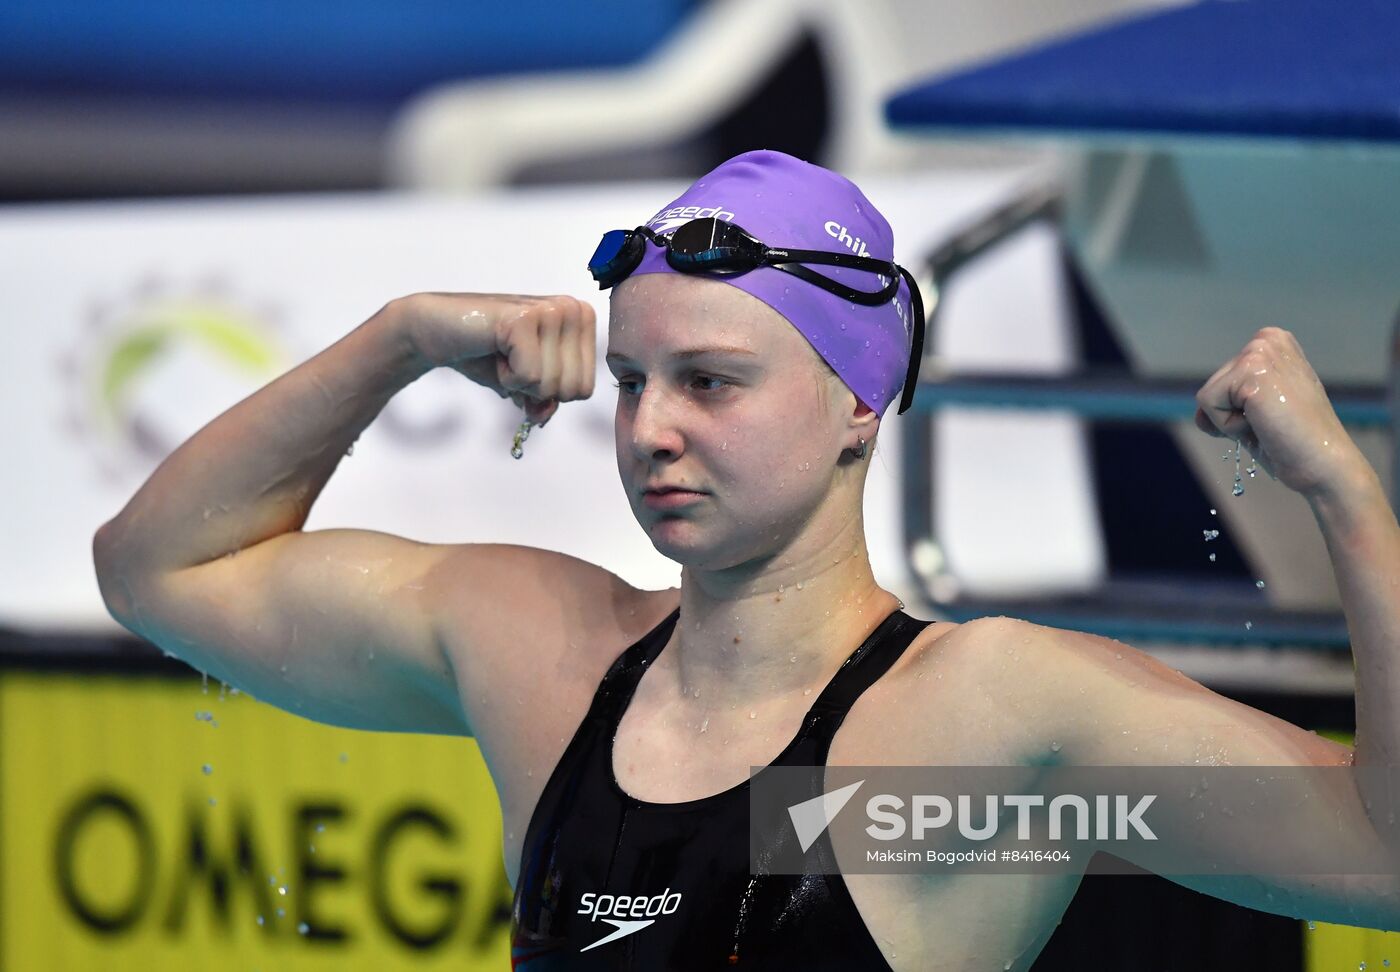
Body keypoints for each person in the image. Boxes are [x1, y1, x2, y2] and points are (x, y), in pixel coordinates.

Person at [92, 151, 1400, 970]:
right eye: (634, 380)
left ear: (857, 404)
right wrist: (397, 341)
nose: (653, 427)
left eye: (713, 381)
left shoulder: (968, 729)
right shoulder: (538, 652)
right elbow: (161, 574)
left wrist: (1346, 497)